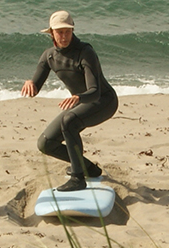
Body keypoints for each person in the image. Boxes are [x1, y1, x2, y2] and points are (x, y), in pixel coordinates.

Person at [21, 10, 117, 192]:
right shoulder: (49, 56)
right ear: (51, 33)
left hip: (104, 101)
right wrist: (30, 83)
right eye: (59, 32)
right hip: (80, 102)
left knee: (69, 121)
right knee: (45, 143)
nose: (64, 36)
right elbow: (35, 89)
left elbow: (95, 92)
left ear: (72, 31)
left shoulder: (85, 52)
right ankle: (89, 168)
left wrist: (79, 97)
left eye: (67, 31)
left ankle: (77, 177)